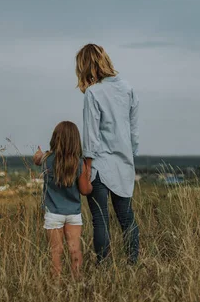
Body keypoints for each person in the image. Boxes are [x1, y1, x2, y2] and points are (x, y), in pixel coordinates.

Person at [75, 44, 140, 265]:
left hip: (99, 166)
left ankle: (104, 268)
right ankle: (133, 265)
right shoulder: (128, 88)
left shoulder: (93, 93)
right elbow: (134, 133)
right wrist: (130, 157)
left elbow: (91, 136)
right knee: (126, 218)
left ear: (86, 66)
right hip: (124, 164)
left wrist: (86, 168)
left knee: (100, 221)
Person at [33, 121, 93, 278]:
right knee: (75, 250)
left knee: (55, 254)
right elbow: (86, 190)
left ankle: (55, 290)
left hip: (53, 213)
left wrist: (39, 155)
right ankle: (78, 284)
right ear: (75, 140)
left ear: (55, 138)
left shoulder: (47, 160)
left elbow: (38, 159)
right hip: (73, 213)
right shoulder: (79, 163)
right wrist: (88, 173)